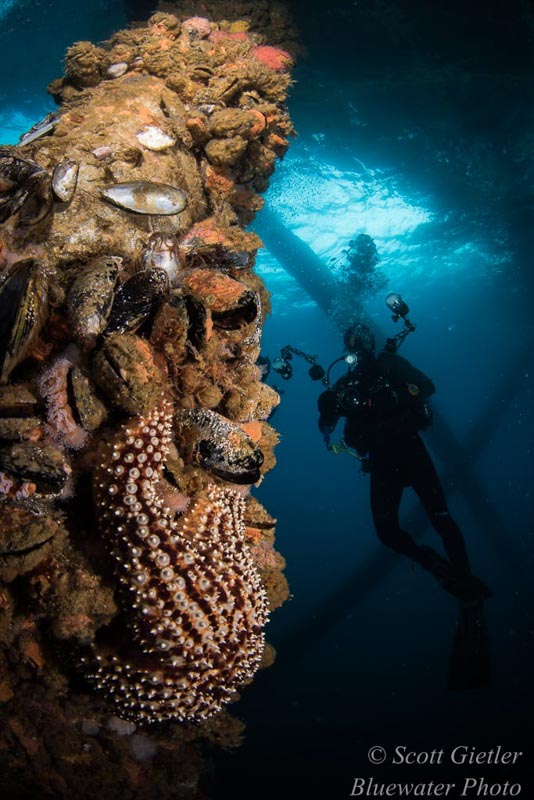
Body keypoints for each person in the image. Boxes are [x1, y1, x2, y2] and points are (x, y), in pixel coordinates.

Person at [318, 323, 491, 605]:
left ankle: (465, 579)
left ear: (371, 342)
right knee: (387, 532)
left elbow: (427, 386)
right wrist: (325, 411)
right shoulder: (346, 386)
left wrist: (395, 396)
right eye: (352, 341)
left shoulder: (390, 364)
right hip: (382, 462)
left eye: (362, 339)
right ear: (346, 349)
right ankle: (430, 561)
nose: (358, 345)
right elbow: (327, 421)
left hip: (410, 450)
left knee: (441, 518)